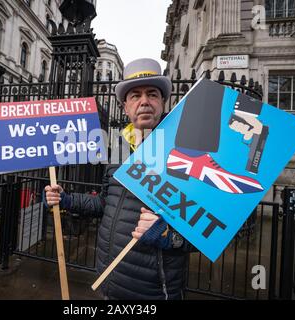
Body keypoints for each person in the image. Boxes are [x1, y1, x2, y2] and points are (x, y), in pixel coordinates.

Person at [44, 58, 195, 300]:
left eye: (152, 94)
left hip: (152, 292)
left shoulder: (183, 152)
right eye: (135, 95)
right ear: (125, 106)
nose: (144, 101)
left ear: (163, 102)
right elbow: (106, 204)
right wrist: (66, 200)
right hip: (108, 280)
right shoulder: (119, 149)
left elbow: (209, 231)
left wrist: (167, 235)